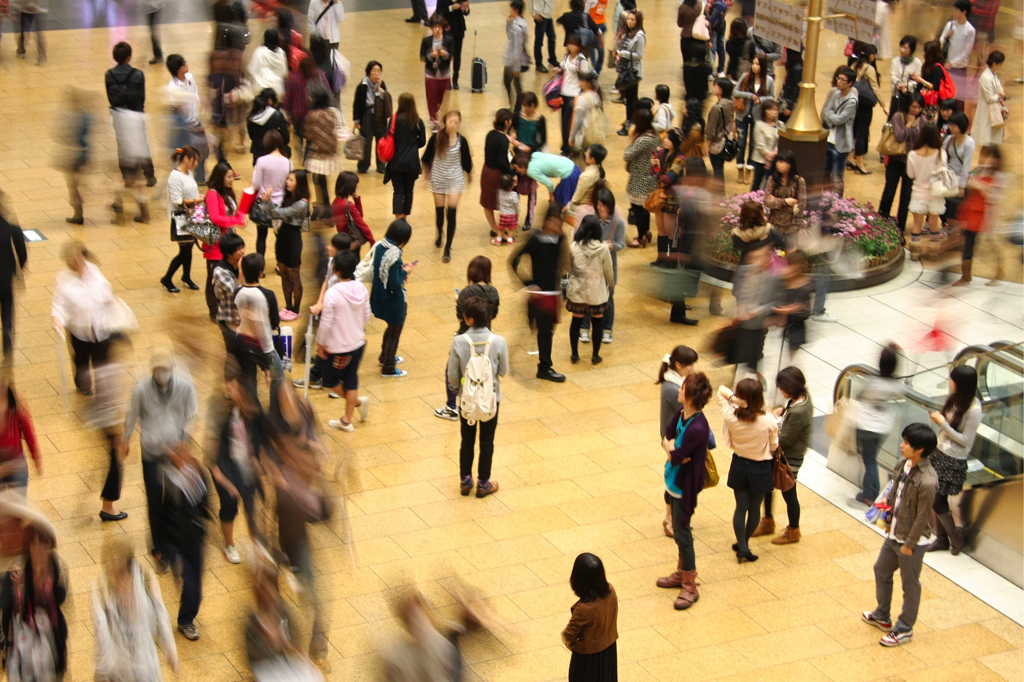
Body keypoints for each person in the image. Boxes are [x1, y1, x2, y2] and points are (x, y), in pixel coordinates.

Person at [862, 423, 938, 647]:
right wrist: (887, 502)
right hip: (895, 533)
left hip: (911, 541)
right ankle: (882, 615)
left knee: (910, 585)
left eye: (906, 443)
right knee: (881, 569)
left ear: (920, 449)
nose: (901, 445)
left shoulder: (928, 480)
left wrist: (909, 545)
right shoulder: (903, 464)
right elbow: (896, 490)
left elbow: (923, 518)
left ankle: (904, 629)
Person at [121, 348, 198, 571]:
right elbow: (131, 412)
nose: (160, 373)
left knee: (174, 499)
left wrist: (185, 440)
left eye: (164, 369)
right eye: (157, 370)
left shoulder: (184, 387)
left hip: (174, 453)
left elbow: (191, 412)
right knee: (155, 500)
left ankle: (173, 541)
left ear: (171, 369)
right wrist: (126, 439)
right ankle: (159, 548)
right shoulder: (142, 389)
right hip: (152, 452)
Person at [656, 371, 712, 610]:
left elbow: (677, 455)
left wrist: (671, 449)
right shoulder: (681, 413)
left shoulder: (698, 426)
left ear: (690, 396)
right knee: (678, 530)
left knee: (682, 531)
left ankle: (689, 583)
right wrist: (670, 448)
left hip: (685, 486)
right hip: (673, 478)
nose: (678, 388)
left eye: (683, 387)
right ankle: (681, 572)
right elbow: (667, 437)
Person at [447, 296, 508, 498]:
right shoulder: (499, 341)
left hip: (467, 400)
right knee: (487, 441)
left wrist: (458, 391)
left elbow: (453, 376)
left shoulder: (459, 341)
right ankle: (484, 484)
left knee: (467, 440)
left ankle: (465, 482)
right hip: (491, 399)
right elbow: (504, 371)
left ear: (469, 319)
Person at [207, 368, 265, 565]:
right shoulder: (224, 411)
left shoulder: (254, 414)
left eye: (233, 387)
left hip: (248, 468)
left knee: (251, 507)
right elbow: (215, 444)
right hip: (227, 468)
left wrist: (258, 462)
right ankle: (229, 544)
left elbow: (260, 440)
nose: (229, 390)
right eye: (229, 386)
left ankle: (259, 545)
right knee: (229, 507)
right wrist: (219, 472)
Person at [91, 554, 178, 681]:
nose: (123, 587)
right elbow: (103, 645)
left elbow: (161, 617)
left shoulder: (145, 601)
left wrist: (171, 651)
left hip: (148, 671)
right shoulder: (108, 610)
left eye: (125, 580)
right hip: (120, 675)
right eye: (118, 581)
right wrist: (103, 674)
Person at [509, 204, 570, 383]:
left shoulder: (561, 239)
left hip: (554, 294)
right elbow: (514, 260)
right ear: (548, 221)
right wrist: (529, 284)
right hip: (540, 295)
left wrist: (565, 290)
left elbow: (564, 264)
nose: (560, 225)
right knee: (544, 332)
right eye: (557, 221)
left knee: (545, 330)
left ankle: (544, 365)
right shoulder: (535, 239)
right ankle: (544, 367)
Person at [719, 380, 778, 563]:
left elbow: (721, 392)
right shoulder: (768, 420)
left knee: (740, 507)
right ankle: (743, 544)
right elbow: (774, 446)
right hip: (760, 468)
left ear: (740, 396)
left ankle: (742, 545)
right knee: (754, 509)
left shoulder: (731, 416)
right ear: (760, 397)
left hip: (739, 465)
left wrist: (735, 400)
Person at [157, 443, 210, 642]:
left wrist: (204, 524)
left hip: (194, 536)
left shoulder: (195, 471)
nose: (184, 452)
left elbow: (204, 501)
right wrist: (159, 545)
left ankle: (187, 616)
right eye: (177, 451)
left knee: (196, 583)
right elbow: (159, 513)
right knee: (189, 581)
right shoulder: (168, 480)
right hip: (175, 538)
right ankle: (186, 621)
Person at [1, 526, 67, 681]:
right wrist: (19, 589)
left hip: (51, 650)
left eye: (43, 544)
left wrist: (45, 588)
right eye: (34, 544)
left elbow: (62, 596)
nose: (39, 549)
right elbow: (5, 606)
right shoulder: (19, 573)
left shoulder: (55, 567)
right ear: (28, 547)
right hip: (25, 655)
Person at [927, 365, 981, 554]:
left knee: (937, 500)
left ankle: (954, 537)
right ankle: (942, 538)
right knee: (936, 496)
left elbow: (965, 441)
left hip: (953, 458)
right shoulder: (956, 399)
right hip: (940, 452)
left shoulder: (974, 409)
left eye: (953, 380)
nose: (950, 383)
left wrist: (943, 424)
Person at [755, 366, 811, 545]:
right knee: (767, 485)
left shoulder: (799, 410)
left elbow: (786, 438)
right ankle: (768, 520)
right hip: (783, 454)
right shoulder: (801, 398)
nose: (780, 390)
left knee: (789, 492)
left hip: (790, 457)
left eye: (782, 387)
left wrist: (769, 427)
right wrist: (780, 411)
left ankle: (793, 530)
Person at [318, 251, 372, 433]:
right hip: (358, 342)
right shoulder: (361, 288)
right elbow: (366, 315)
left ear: (336, 270)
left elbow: (325, 323)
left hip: (339, 347)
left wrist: (320, 343)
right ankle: (347, 420)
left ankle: (356, 402)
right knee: (351, 378)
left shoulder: (332, 294)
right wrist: (355, 328)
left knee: (330, 379)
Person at [51, 245, 115, 396]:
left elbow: (106, 294)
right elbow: (58, 303)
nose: (77, 264)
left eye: (78, 260)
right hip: (79, 330)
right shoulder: (64, 279)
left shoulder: (94, 271)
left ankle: (103, 391)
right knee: (81, 361)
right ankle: (83, 385)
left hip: (100, 327)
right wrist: (57, 319)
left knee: (102, 361)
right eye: (73, 262)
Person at [105, 42, 157, 224]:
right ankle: (149, 176)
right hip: (136, 119)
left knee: (127, 168)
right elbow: (141, 98)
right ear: (129, 57)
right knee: (141, 154)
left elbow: (111, 99)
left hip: (119, 122)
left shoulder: (109, 75)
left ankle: (129, 208)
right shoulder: (138, 75)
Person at [850, 343, 902, 508]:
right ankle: (872, 489)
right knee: (872, 459)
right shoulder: (897, 385)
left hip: (866, 425)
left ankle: (869, 494)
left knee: (869, 460)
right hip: (884, 427)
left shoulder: (871, 381)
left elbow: (858, 395)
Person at [656, 346, 698, 536]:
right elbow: (690, 410)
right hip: (676, 440)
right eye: (689, 364)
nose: (692, 368)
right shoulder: (674, 389)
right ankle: (671, 520)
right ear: (678, 365)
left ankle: (670, 518)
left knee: (675, 478)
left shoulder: (674, 382)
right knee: (676, 481)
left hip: (674, 438)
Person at [423, 110, 473, 263]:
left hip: (455, 179)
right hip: (438, 177)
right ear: (445, 122)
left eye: (456, 122)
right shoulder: (436, 138)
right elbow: (426, 157)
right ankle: (439, 234)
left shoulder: (461, 140)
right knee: (439, 213)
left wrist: (469, 173)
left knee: (451, 213)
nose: (453, 124)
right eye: (451, 121)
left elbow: (466, 160)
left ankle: (447, 247)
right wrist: (426, 174)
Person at [260, 170, 310, 319]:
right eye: (287, 179)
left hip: (293, 239)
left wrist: (267, 202)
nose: (287, 182)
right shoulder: (288, 197)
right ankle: (288, 306)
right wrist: (269, 205)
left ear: (299, 184)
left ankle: (295, 309)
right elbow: (273, 213)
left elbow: (277, 213)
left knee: (294, 275)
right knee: (283, 273)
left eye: (291, 180)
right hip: (282, 236)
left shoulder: (302, 203)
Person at [577, 188, 624, 343]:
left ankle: (607, 329)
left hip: (608, 268)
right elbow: (581, 241)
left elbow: (621, 244)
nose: (603, 209)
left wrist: (612, 246)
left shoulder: (618, 223)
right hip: (591, 267)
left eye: (606, 206)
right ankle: (584, 329)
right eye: (600, 206)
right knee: (588, 298)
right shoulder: (591, 220)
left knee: (608, 299)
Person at [566, 216, 614, 365]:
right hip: (597, 291)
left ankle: (574, 354)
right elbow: (608, 271)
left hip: (578, 290)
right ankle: (595, 355)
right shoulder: (603, 248)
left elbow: (569, 268)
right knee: (597, 322)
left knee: (576, 321)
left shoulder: (574, 246)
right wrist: (610, 285)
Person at [562, 553, 618, 680]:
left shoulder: (584, 608)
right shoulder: (611, 590)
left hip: (587, 658)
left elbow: (569, 635)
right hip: (609, 649)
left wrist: (570, 643)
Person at [955, 147, 1006, 285]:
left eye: (994, 157)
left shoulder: (1001, 176)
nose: (991, 160)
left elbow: (996, 197)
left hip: (988, 215)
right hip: (974, 212)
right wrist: (973, 184)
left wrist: (982, 187)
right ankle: (966, 276)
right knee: (969, 243)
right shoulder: (982, 169)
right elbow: (971, 184)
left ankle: (999, 272)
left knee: (990, 244)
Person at [203, 162, 247, 318]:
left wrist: (241, 217)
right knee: (214, 276)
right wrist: (234, 221)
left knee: (230, 273)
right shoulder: (212, 194)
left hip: (229, 240)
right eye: (229, 177)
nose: (231, 179)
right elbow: (215, 217)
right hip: (216, 243)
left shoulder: (228, 192)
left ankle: (226, 305)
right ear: (220, 177)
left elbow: (234, 211)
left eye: (232, 176)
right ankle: (213, 309)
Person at [372, 220, 415, 378]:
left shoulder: (380, 246)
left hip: (380, 295)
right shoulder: (395, 255)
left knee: (390, 328)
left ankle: (385, 357)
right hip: (394, 300)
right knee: (395, 331)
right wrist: (405, 272)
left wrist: (401, 269)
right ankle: (388, 367)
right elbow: (395, 283)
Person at [879, 93, 925, 234]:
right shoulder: (898, 117)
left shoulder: (923, 121)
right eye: (914, 107)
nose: (916, 110)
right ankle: (881, 221)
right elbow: (899, 137)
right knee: (889, 192)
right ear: (908, 105)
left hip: (912, 163)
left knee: (906, 197)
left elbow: (923, 140)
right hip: (896, 160)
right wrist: (910, 125)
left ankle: (900, 226)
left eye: (919, 108)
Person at [161, 146, 202, 294]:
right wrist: (196, 200)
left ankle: (186, 276)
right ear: (186, 158)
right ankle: (167, 278)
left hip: (192, 215)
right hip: (181, 218)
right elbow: (177, 200)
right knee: (184, 251)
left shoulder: (188, 173)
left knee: (189, 248)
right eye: (194, 160)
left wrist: (197, 200)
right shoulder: (175, 176)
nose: (196, 163)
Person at [165, 54, 209, 185]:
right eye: (184, 64)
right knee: (182, 155)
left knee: (201, 151)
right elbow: (175, 112)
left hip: (196, 121)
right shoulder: (172, 88)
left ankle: (201, 178)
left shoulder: (189, 77)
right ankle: (182, 180)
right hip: (185, 128)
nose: (187, 65)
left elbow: (195, 94)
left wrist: (200, 102)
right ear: (178, 69)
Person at [734, 53, 775, 186]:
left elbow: (772, 97)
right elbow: (735, 92)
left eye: (757, 64)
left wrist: (760, 100)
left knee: (753, 144)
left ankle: (749, 170)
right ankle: (740, 168)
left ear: (762, 66)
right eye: (753, 63)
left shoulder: (768, 80)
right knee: (741, 143)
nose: (754, 66)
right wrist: (749, 95)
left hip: (758, 117)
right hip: (743, 114)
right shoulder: (746, 76)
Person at [905, 123, 945, 258]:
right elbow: (943, 171)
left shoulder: (912, 154)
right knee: (934, 223)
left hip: (918, 193)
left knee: (917, 224)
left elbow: (910, 175)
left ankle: (915, 253)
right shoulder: (941, 153)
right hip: (936, 193)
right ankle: (933, 253)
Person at [250, 131, 292, 258]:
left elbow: (256, 184)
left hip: (263, 203)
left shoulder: (261, 161)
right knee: (280, 236)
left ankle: (260, 267)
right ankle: (280, 265)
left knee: (261, 236)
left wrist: (254, 172)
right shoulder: (288, 163)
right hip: (280, 205)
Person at [385, 93, 427, 220]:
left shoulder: (394, 119)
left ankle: (398, 219)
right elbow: (423, 141)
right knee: (409, 191)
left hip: (396, 160)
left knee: (398, 191)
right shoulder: (418, 121)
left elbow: (388, 137)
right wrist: (413, 146)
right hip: (411, 162)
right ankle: (404, 218)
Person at [303, 87, 340, 221]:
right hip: (329, 153)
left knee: (318, 181)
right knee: (322, 180)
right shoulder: (332, 113)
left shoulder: (312, 115)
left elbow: (308, 134)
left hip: (317, 154)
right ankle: (324, 207)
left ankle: (323, 207)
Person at [623, 109, 658, 248]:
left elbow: (627, 155)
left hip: (640, 177)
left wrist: (630, 142)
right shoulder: (654, 133)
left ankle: (641, 236)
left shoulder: (643, 139)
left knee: (637, 208)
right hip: (649, 175)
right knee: (644, 207)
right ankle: (647, 232)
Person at [821, 67, 858, 196]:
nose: (839, 81)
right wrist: (832, 116)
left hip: (841, 144)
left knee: (837, 176)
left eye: (843, 80)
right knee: (825, 173)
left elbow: (839, 120)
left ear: (850, 83)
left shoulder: (852, 100)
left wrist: (831, 116)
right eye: (838, 78)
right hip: (829, 139)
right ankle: (825, 199)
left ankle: (836, 203)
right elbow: (826, 112)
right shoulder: (836, 93)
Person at [850, 45, 887, 175]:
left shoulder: (854, 65)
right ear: (871, 55)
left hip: (854, 102)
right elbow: (875, 88)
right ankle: (860, 163)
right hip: (865, 105)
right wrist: (883, 105)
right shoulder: (869, 68)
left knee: (853, 131)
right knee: (861, 133)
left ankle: (850, 157)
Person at [0, 381, 39, 496]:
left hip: (16, 463)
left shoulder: (17, 411)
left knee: (19, 502)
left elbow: (28, 433)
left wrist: (35, 457)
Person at [556, 35, 593, 155]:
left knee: (571, 123)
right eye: (569, 44)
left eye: (574, 44)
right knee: (564, 122)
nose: (571, 46)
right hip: (563, 92)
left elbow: (587, 78)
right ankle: (565, 145)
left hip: (575, 94)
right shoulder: (566, 58)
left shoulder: (581, 60)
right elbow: (562, 69)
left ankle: (569, 148)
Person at [481, 109, 515, 239]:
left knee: (487, 203)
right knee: (504, 203)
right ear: (506, 122)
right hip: (496, 174)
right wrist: (511, 173)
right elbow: (502, 161)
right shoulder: (503, 140)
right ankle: (501, 231)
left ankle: (494, 228)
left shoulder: (490, 134)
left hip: (486, 171)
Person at [773, 251, 813, 358]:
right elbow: (777, 301)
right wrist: (783, 312)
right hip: (786, 324)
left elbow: (806, 310)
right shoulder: (783, 282)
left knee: (793, 354)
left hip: (797, 326)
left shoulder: (804, 285)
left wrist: (793, 309)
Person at [353, 60, 391, 174]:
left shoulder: (382, 84)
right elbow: (357, 104)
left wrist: (380, 89)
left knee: (381, 141)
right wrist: (356, 120)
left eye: (379, 71)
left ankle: (381, 165)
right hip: (367, 114)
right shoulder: (362, 86)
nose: (377, 73)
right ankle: (364, 165)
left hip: (380, 115)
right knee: (366, 142)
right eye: (374, 70)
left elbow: (386, 101)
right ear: (368, 72)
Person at [212, 232, 246, 352]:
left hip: (244, 319)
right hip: (230, 319)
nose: (242, 251)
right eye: (238, 249)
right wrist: (242, 272)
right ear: (228, 252)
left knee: (245, 355)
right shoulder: (220, 271)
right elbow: (236, 292)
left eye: (243, 247)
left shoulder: (241, 264)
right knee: (234, 356)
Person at [613, 9, 645, 136]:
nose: (629, 22)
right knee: (628, 99)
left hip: (633, 71)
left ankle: (630, 124)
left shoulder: (640, 35)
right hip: (624, 68)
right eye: (628, 19)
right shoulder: (626, 33)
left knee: (631, 100)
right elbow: (619, 46)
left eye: (632, 20)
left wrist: (623, 54)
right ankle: (631, 122)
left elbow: (639, 55)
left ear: (638, 21)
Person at [939, 0, 975, 109]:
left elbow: (966, 52)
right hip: (946, 66)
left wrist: (952, 63)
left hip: (959, 67)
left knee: (959, 98)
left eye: (956, 10)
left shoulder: (970, 30)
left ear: (964, 12)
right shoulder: (950, 24)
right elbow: (941, 41)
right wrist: (946, 37)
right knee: (945, 96)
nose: (954, 12)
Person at [0, 212, 26, 358]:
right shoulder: (8, 227)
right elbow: (20, 246)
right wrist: (22, 265)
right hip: (5, 277)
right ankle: (6, 332)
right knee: (7, 306)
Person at [421, 15, 454, 130]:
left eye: (439, 26)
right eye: (435, 27)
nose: (437, 29)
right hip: (430, 74)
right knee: (431, 98)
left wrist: (445, 54)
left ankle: (441, 117)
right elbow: (422, 57)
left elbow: (452, 56)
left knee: (442, 99)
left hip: (444, 74)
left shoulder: (449, 40)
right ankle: (435, 121)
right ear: (431, 28)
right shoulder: (426, 41)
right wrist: (431, 55)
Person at [762, 149, 805, 236]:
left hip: (792, 227)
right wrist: (786, 202)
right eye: (778, 161)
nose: (778, 164)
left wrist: (776, 202)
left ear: (791, 165)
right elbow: (767, 202)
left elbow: (801, 205)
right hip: (774, 225)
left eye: (782, 162)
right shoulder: (772, 179)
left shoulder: (799, 181)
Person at [247, 88, 291, 165]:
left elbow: (252, 137)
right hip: (275, 155)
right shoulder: (277, 116)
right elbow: (286, 139)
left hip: (257, 156)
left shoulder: (252, 116)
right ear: (270, 101)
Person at [973, 50, 1005, 153]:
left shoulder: (993, 74)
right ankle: (981, 165)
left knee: (992, 142)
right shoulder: (986, 77)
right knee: (987, 142)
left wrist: (1001, 90)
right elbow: (990, 98)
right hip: (987, 111)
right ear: (995, 63)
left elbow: (998, 86)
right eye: (1001, 63)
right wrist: (1000, 95)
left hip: (994, 110)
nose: (1002, 65)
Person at [332, 171, 375, 247]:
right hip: (352, 242)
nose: (357, 188)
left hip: (343, 240)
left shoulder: (335, 202)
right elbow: (362, 224)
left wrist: (356, 198)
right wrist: (372, 242)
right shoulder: (349, 205)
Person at [677, 0, 709, 101]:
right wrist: (710, 39)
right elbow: (708, 23)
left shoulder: (682, 7)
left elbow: (680, 24)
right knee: (701, 64)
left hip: (686, 39)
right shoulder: (702, 5)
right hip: (700, 39)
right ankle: (703, 88)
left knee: (687, 65)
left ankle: (689, 91)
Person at [912, 40, 951, 121]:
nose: (923, 53)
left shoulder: (937, 68)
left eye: (925, 51)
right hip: (923, 99)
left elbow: (936, 87)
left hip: (931, 101)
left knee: (926, 122)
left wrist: (921, 80)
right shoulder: (926, 65)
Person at [566, 143, 606, 222]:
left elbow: (576, 199)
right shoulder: (600, 171)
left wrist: (567, 206)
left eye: (587, 152)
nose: (585, 153)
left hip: (582, 206)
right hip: (592, 204)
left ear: (592, 159)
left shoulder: (586, 176)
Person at [569, 70, 605, 156]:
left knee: (584, 158)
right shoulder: (596, 95)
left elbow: (578, 121)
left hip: (585, 135)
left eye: (582, 81)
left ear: (588, 83)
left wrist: (571, 137)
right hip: (595, 133)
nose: (580, 82)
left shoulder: (582, 99)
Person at [706, 77, 735, 182]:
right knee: (720, 169)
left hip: (717, 142)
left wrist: (707, 145)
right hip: (726, 139)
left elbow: (711, 129)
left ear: (721, 89)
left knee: (717, 172)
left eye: (715, 85)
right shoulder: (731, 102)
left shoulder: (716, 108)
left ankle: (719, 195)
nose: (712, 87)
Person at [437, 0, 471, 89]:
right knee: (446, 55)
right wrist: (451, 8)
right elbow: (439, 11)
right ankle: (447, 80)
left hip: (459, 28)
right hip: (447, 28)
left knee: (457, 56)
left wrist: (465, 8)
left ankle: (455, 80)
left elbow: (466, 12)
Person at [248, 29, 289, 100]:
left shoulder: (259, 51)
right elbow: (284, 73)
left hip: (260, 89)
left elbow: (251, 70)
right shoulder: (282, 53)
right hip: (277, 91)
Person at [504, 0, 530, 110]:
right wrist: (508, 23)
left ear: (516, 10)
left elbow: (517, 48)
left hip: (515, 61)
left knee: (515, 86)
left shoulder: (518, 27)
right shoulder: (518, 22)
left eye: (511, 8)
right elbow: (510, 36)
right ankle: (514, 105)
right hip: (513, 60)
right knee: (509, 83)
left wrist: (516, 67)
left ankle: (516, 107)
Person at [889, 36, 922, 119]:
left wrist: (907, 86)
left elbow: (917, 79)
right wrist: (898, 84)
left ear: (912, 49)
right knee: (892, 117)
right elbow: (893, 75)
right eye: (901, 47)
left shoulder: (917, 63)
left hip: (909, 96)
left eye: (905, 48)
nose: (902, 50)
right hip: (896, 94)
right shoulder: (895, 60)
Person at [750, 101, 779, 191]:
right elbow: (760, 144)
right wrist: (768, 157)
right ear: (764, 111)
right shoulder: (759, 125)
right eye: (771, 109)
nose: (774, 112)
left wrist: (773, 153)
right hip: (760, 159)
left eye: (776, 110)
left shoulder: (781, 125)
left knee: (771, 185)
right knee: (757, 183)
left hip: (776, 159)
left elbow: (781, 142)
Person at [12, 0, 46, 64]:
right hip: (37, 8)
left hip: (26, 8)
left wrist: (15, 8)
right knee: (38, 33)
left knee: (24, 30)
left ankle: (21, 51)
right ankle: (42, 58)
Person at [532, 0, 558, 73]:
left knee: (552, 37)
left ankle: (552, 59)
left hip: (549, 15)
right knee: (539, 41)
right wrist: (533, 13)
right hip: (540, 15)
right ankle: (539, 64)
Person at [494, 174, 520, 246]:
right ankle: (510, 241)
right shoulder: (514, 194)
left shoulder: (500, 192)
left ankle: (498, 240)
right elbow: (516, 205)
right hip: (512, 215)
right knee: (510, 229)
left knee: (501, 229)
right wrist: (517, 212)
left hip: (503, 215)